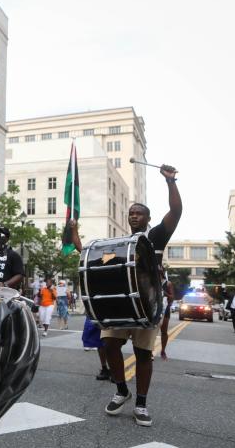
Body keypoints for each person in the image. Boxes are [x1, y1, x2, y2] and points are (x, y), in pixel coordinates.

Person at [70, 163, 182, 427]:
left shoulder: (154, 238)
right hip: (121, 305)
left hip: (146, 305)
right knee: (109, 345)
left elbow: (176, 212)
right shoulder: (120, 246)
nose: (133, 216)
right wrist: (74, 232)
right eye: (131, 213)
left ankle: (141, 404)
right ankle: (121, 390)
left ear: (147, 218)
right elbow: (92, 258)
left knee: (143, 354)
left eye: (139, 213)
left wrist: (170, 182)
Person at [0, 226, 24, 290]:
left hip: (6, 293)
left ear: (7, 238)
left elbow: (20, 275)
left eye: (1, 234)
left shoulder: (13, 255)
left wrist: (5, 284)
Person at [82, 316, 111, 381]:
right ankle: (105, 368)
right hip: (97, 313)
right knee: (99, 341)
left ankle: (114, 371)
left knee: (113, 341)